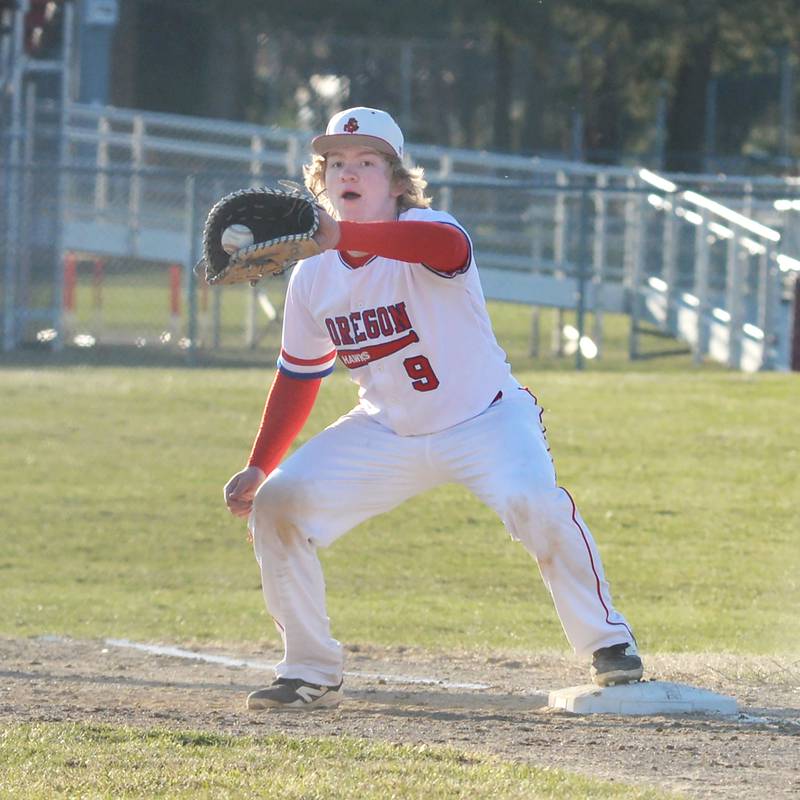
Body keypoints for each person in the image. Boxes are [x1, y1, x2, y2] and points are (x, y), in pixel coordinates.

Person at [223, 106, 643, 710]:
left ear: (396, 179)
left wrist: (339, 234)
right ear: (321, 179)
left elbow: (442, 247)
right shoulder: (313, 274)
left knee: (535, 504)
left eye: (367, 161)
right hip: (388, 430)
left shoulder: (430, 226)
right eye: (337, 162)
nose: (351, 171)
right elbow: (298, 375)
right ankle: (308, 667)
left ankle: (608, 644)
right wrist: (261, 465)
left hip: (486, 420)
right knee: (278, 503)